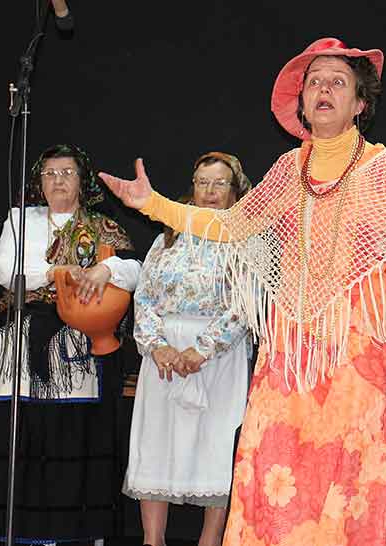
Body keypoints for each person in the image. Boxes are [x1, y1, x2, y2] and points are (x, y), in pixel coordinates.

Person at [100, 37, 386, 546]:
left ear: (360, 103)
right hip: (290, 351)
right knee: (280, 476)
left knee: (347, 484)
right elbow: (233, 226)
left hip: (359, 349)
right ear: (301, 101)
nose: (323, 90)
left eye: (337, 82)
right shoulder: (286, 169)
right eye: (314, 82)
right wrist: (155, 205)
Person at [0, 144, 141, 546]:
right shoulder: (20, 221)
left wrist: (105, 268)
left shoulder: (101, 226)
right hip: (23, 333)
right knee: (11, 427)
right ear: (39, 182)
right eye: (51, 173)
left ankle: (74, 531)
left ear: (82, 180)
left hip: (77, 338)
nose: (59, 180)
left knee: (70, 431)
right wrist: (59, 271)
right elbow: (7, 271)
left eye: (68, 172)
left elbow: (135, 270)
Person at [122, 152, 252, 546]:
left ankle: (210, 541)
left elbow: (246, 301)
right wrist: (157, 346)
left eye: (219, 184)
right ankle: (153, 539)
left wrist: (203, 349)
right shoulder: (169, 235)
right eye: (202, 182)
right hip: (162, 357)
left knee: (213, 445)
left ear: (234, 191)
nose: (210, 192)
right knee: (156, 444)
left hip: (217, 357)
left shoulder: (243, 238)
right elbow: (144, 294)